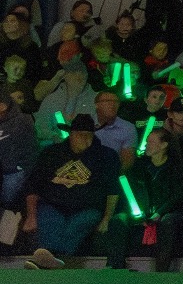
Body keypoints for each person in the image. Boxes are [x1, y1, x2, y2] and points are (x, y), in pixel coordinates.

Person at [22, 114, 119, 269]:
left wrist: (107, 218)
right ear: (71, 134)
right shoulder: (51, 153)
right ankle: (52, 260)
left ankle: (49, 259)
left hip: (88, 208)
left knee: (78, 224)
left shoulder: (106, 156)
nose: (85, 139)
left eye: (89, 135)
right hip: (53, 204)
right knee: (51, 220)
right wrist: (31, 215)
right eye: (81, 135)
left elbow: (113, 190)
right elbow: (33, 185)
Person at [100, 125, 183, 272]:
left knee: (168, 222)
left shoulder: (177, 168)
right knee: (118, 220)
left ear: (164, 145)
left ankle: (161, 271)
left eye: (151, 142)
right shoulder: (139, 166)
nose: (146, 145)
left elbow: (179, 196)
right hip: (141, 212)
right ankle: (115, 267)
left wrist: (159, 213)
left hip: (167, 213)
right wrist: (139, 214)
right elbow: (131, 192)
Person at [0, 87, 34, 213]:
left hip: (14, 170)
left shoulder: (22, 121)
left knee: (10, 189)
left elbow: (30, 151)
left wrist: (21, 167)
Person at [90, 89, 137, 168]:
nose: (112, 104)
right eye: (107, 101)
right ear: (97, 104)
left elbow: (127, 162)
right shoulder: (85, 123)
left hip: (112, 173)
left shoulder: (128, 128)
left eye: (116, 101)